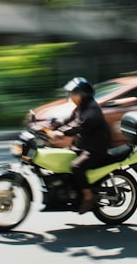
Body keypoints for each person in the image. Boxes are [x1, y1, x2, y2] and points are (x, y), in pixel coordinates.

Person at [48, 77, 112, 214]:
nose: (71, 96)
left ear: (82, 94)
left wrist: (60, 133)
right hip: (82, 146)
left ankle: (89, 197)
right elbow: (68, 120)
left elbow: (78, 125)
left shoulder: (92, 111)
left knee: (76, 166)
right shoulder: (81, 107)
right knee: (60, 160)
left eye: (73, 93)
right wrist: (53, 125)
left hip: (94, 149)